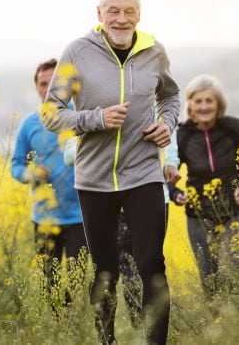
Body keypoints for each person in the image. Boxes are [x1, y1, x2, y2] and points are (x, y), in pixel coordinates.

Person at [41, 0, 179, 345]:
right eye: (113, 11)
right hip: (94, 180)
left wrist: (167, 124)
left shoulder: (154, 51)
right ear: (99, 14)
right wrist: (94, 119)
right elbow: (51, 113)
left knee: (152, 265)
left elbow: (171, 96)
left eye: (129, 11)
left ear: (139, 14)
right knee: (106, 272)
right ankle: (108, 342)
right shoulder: (77, 52)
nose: (121, 19)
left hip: (144, 174)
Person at [164, 74, 239, 298]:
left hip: (234, 211)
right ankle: (218, 326)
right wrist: (174, 192)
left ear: (218, 103)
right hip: (199, 215)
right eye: (198, 101)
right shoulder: (182, 135)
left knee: (234, 269)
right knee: (209, 277)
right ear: (190, 104)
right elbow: (168, 171)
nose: (204, 106)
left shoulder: (234, 128)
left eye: (209, 100)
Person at [64, 136, 172, 330]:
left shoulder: (147, 107)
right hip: (100, 191)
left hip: (145, 189)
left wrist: (170, 161)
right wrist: (99, 140)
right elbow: (69, 153)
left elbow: (171, 139)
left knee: (150, 266)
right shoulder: (88, 110)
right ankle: (110, 337)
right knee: (106, 272)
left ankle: (146, 333)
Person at [11, 59, 86, 302]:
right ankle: (59, 332)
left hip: (80, 217)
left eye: (54, 83)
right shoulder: (29, 125)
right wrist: (30, 175)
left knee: (76, 284)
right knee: (49, 287)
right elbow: (16, 165)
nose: (48, 89)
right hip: (43, 219)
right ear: (37, 88)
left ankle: (73, 332)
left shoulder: (81, 117)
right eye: (43, 84)